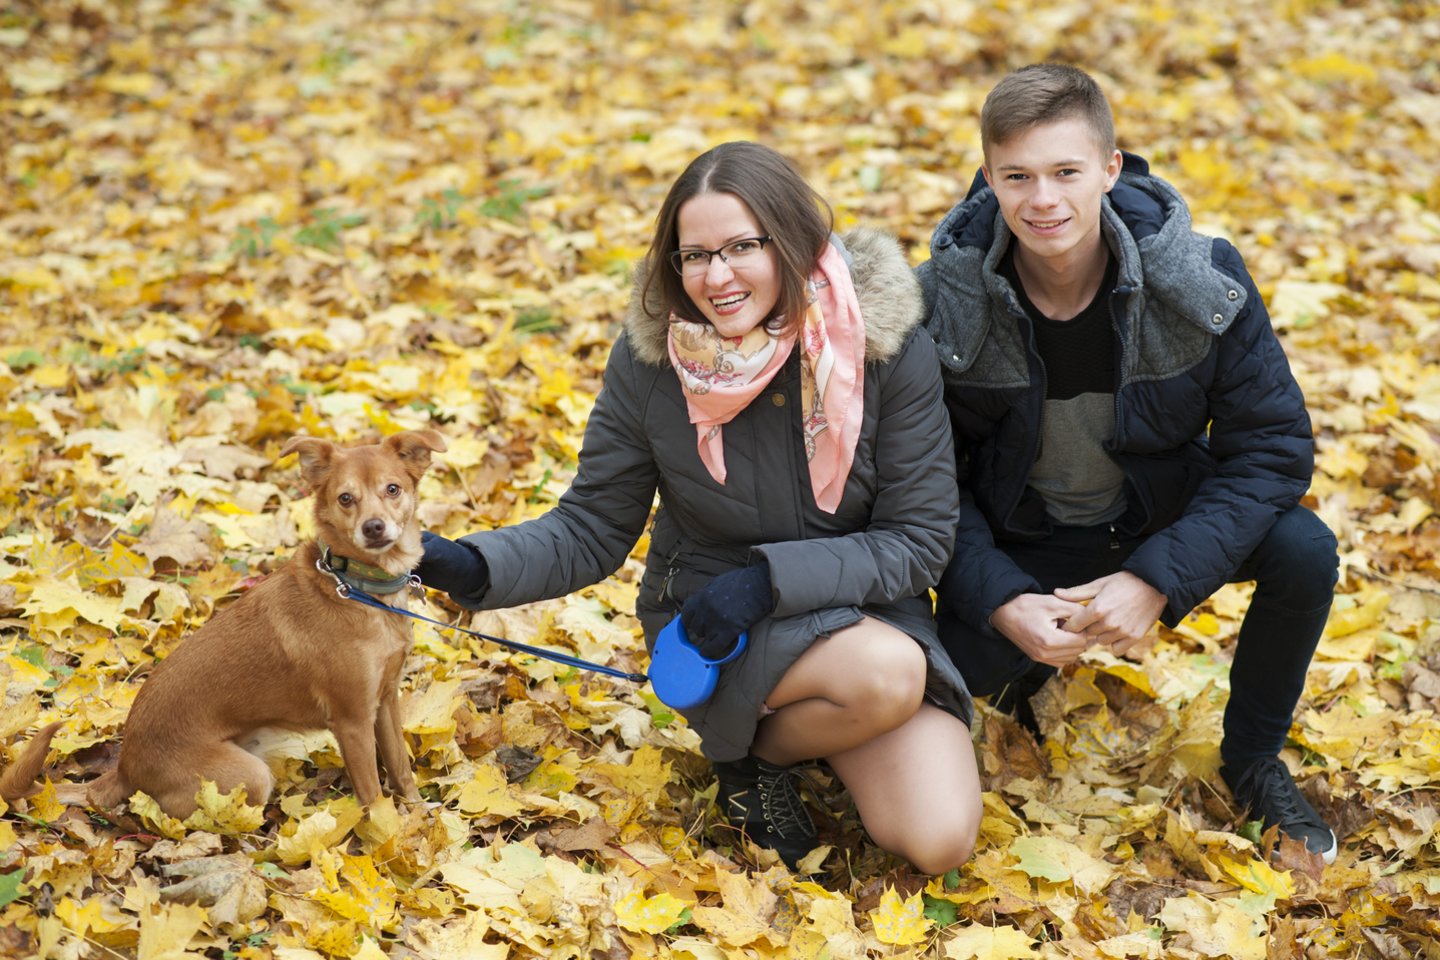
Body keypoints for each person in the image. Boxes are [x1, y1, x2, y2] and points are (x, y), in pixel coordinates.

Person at [418, 141, 982, 874]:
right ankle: (752, 762)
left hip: (861, 607)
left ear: (790, 241)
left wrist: (769, 582)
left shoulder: (882, 348)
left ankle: (795, 735)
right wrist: (463, 563)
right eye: (694, 256)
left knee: (939, 840)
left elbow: (917, 540)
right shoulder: (653, 361)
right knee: (885, 677)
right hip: (713, 623)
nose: (717, 276)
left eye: (741, 247)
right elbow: (592, 525)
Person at [918, 64, 1340, 863]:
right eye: (1019, 176)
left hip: (1158, 516)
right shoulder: (944, 301)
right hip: (1023, 536)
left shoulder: (1198, 279)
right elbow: (920, 483)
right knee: (968, 673)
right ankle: (1022, 672)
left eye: (1067, 172)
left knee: (1305, 551)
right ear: (989, 180)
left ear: (1111, 169)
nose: (1044, 199)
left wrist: (1157, 577)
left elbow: (1274, 449)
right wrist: (1001, 598)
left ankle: (1251, 759)